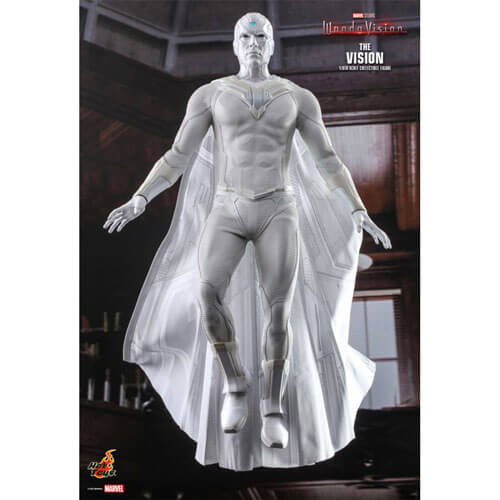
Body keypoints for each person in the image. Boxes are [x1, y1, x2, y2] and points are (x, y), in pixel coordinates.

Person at [104, 12, 391, 468]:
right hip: (228, 206)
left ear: (272, 44)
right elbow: (178, 155)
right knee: (206, 295)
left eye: (261, 36)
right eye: (246, 36)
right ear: (234, 43)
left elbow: (328, 160)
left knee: (280, 309)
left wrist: (358, 209)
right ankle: (236, 384)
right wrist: (140, 198)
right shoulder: (211, 94)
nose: (254, 43)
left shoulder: (298, 97)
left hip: (279, 206)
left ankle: (273, 405)